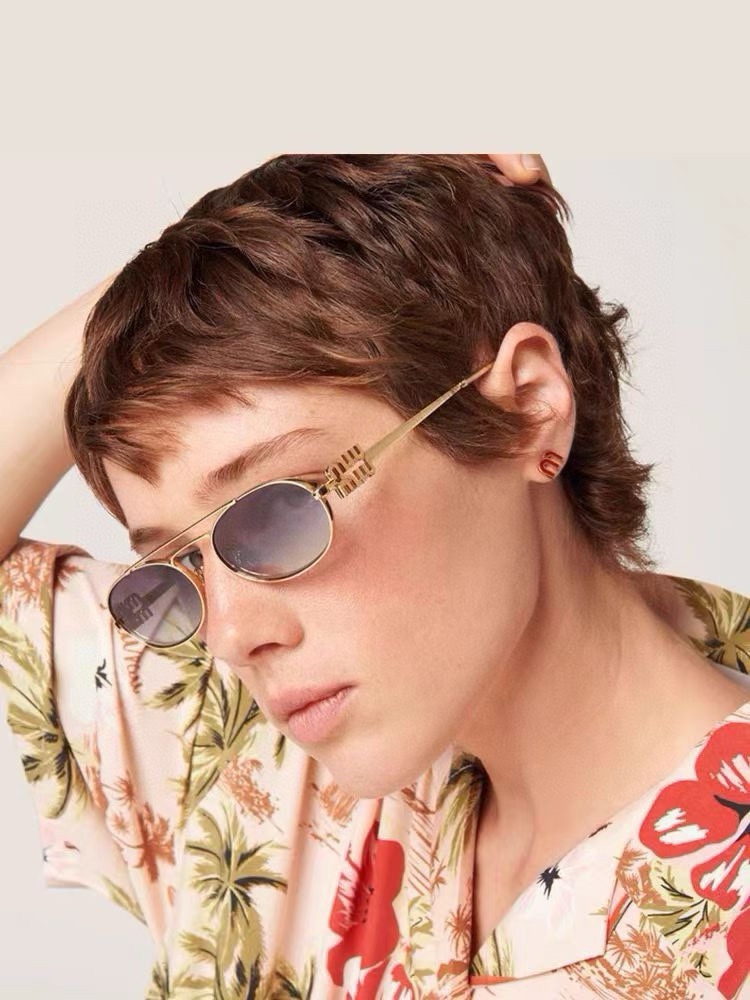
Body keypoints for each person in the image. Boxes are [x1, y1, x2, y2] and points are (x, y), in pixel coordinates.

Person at [0, 153, 748, 1000]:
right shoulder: (251, 766)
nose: (232, 636)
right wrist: (215, 251)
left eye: (277, 513)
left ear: (525, 407)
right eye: (179, 566)